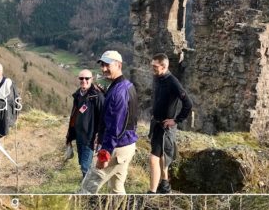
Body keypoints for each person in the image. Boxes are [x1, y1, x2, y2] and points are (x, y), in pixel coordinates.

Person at [78, 50, 138, 194]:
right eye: (102, 65)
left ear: (118, 65)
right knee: (116, 188)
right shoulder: (127, 86)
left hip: (116, 148)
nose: (104, 69)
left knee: (87, 188)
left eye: (107, 65)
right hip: (127, 146)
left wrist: (105, 153)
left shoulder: (118, 92)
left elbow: (115, 126)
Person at [148, 53, 192, 194]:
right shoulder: (157, 77)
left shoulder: (173, 81)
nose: (152, 69)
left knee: (153, 158)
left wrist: (176, 120)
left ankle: (152, 191)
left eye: (155, 66)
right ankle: (165, 184)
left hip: (166, 127)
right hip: (156, 124)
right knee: (161, 156)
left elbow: (188, 103)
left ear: (164, 66)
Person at [66, 69, 105, 177]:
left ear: (91, 79)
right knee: (82, 163)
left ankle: (86, 189)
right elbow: (74, 115)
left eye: (87, 78)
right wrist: (70, 135)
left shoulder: (97, 96)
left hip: (90, 138)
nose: (84, 80)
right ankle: (86, 184)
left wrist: (99, 137)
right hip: (79, 136)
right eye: (81, 78)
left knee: (85, 166)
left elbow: (103, 118)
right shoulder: (78, 95)